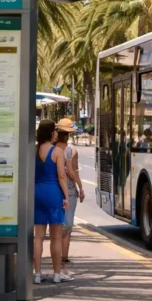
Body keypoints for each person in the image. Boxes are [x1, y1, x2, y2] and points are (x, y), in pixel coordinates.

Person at [34, 120, 72, 284]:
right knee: (56, 238)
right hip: (53, 193)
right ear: (51, 133)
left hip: (37, 193)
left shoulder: (34, 150)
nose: (57, 133)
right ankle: (57, 274)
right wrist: (66, 196)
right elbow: (62, 176)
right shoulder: (57, 151)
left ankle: (37, 274)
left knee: (38, 236)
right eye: (55, 131)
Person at [54, 118, 84, 274]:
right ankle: (63, 257)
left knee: (56, 226)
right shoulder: (71, 152)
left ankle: (56, 255)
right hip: (69, 191)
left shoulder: (50, 149)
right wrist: (80, 187)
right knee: (67, 225)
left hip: (53, 190)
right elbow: (74, 172)